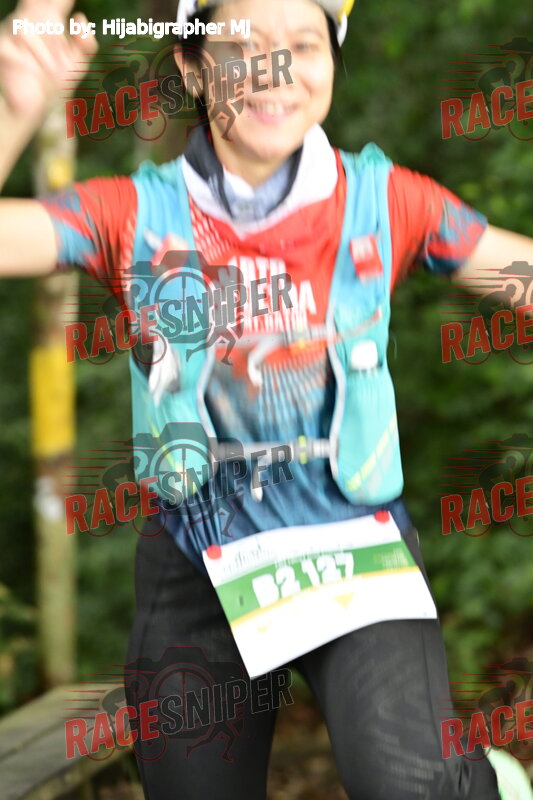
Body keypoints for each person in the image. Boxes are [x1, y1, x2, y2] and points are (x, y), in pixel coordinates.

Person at [1, 0, 533, 798]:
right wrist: (12, 108)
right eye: (239, 46)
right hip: (197, 555)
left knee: (408, 787)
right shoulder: (133, 214)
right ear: (189, 67)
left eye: (302, 45)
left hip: (352, 542)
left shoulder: (383, 201)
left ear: (331, 63)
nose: (272, 72)